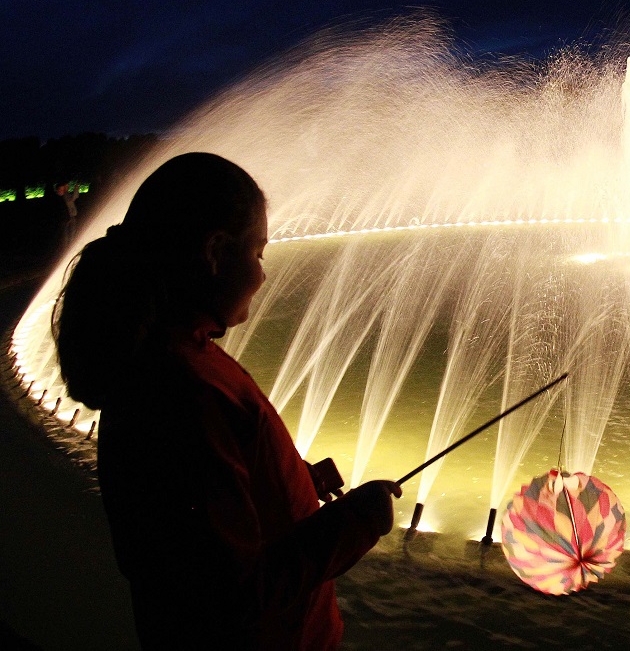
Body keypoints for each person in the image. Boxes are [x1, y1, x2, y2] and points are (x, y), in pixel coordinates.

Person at [53, 153, 401, 649]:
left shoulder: (178, 356)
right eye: (257, 253)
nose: (262, 275)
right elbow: (230, 598)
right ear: (215, 251)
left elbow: (216, 506)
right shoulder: (180, 391)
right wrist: (355, 523)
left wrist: (295, 480)